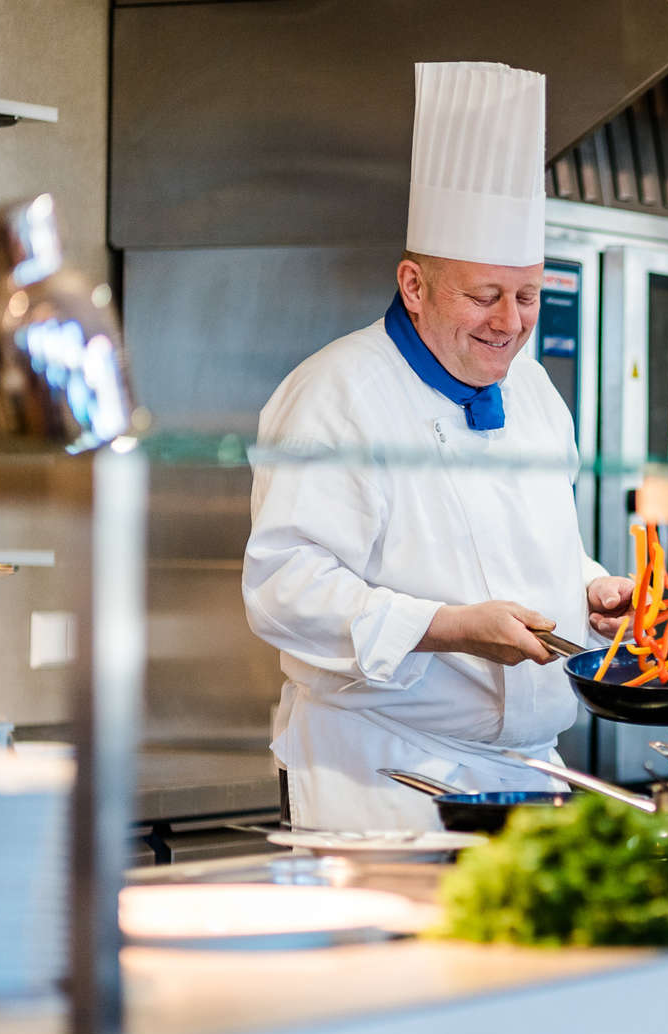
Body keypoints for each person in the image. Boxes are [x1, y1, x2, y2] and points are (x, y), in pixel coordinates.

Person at [243, 61, 633, 831]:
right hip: (382, 778)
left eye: (527, 296)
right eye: (484, 296)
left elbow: (526, 547)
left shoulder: (536, 395)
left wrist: (586, 596)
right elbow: (284, 589)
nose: (510, 322)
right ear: (414, 286)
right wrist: (446, 627)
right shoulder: (336, 394)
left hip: (528, 772)